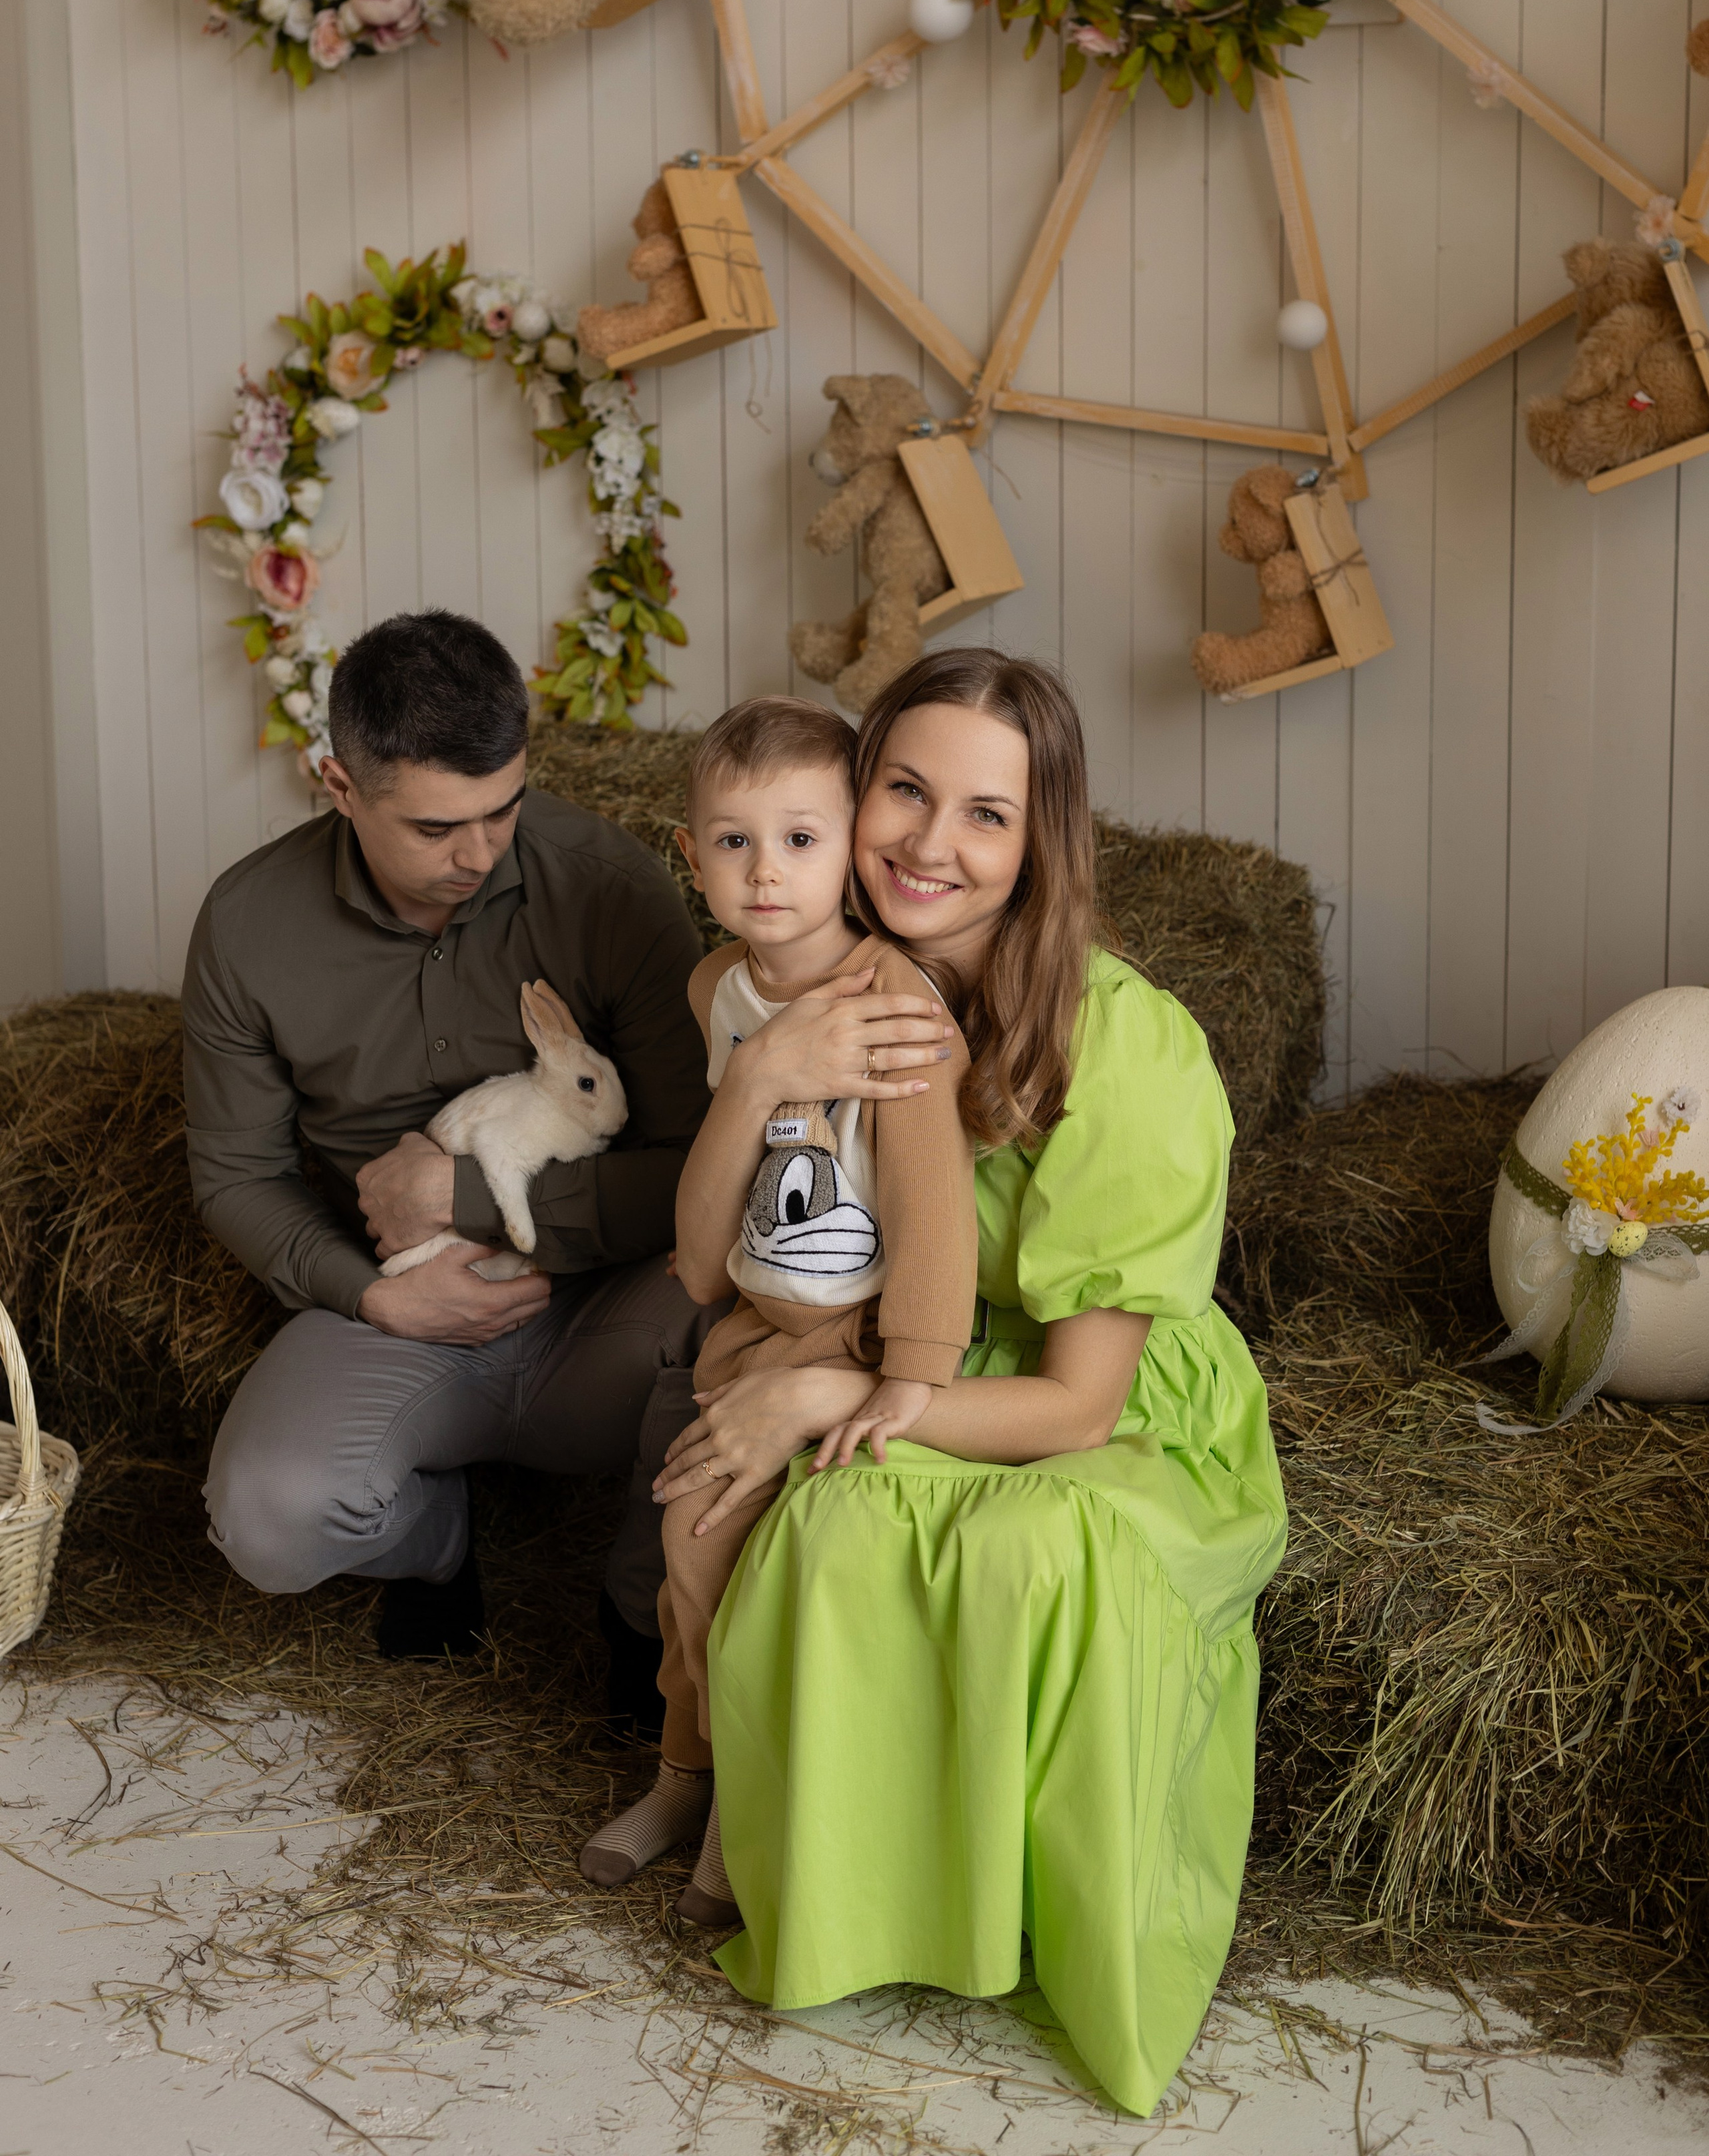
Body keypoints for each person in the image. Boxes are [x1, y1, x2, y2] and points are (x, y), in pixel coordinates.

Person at [650, 649, 1289, 2119]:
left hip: (1108, 1400)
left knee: (1019, 1544)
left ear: (1039, 840)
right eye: (904, 791)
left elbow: (1076, 1402)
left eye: (986, 815)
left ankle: (1026, 1926)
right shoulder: (809, 989)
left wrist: (830, 1397)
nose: (932, 844)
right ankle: (837, 1899)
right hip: (903, 1355)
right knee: (831, 1521)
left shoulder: (1122, 1037)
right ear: (851, 792)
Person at [188, 609, 713, 1713]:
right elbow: (236, 1177)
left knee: (750, 1333)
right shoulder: (246, 923)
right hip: (393, 1314)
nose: (480, 853)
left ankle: (640, 1617)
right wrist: (373, 1293)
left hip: (605, 1312)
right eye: (436, 828)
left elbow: (697, 1171)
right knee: (266, 1515)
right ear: (337, 785)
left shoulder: (611, 888)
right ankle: (437, 1544)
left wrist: (467, 1193)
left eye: (504, 809)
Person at [577, 697, 977, 1924]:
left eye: (802, 840)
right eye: (735, 842)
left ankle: (743, 1813)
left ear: (853, 841)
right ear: (689, 855)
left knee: (741, 1558)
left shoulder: (889, 997)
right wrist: (754, 1079)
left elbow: (929, 1200)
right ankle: (683, 1777)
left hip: (854, 1331)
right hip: (752, 1319)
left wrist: (911, 1372)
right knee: (686, 1556)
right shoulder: (720, 992)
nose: (768, 873)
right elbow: (709, 1242)